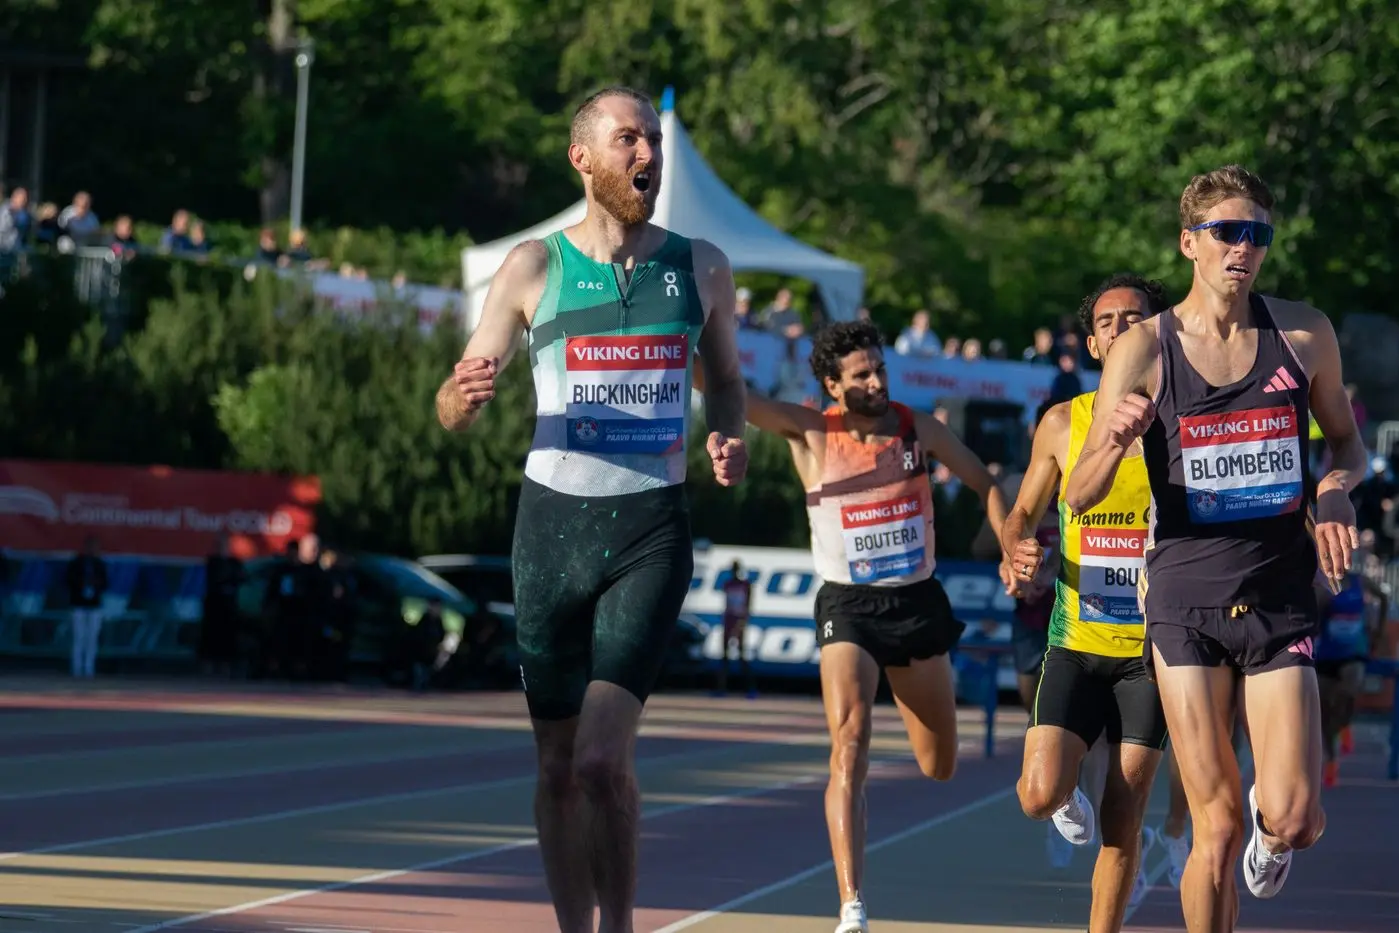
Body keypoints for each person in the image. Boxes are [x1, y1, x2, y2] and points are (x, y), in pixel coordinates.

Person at [435, 85, 749, 933]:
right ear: (582, 158)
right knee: (555, 766)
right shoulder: (532, 268)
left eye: (653, 140)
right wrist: (462, 395)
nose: (648, 153)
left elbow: (725, 382)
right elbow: (453, 401)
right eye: (628, 139)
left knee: (602, 759)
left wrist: (727, 435)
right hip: (549, 531)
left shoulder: (701, 265)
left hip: (651, 528)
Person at [1063, 165, 1367, 931]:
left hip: (1275, 595)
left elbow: (1346, 445)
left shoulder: (1302, 334)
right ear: (1188, 243)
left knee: (1294, 817)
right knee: (1215, 823)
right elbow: (1078, 493)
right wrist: (1115, 441)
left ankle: (1276, 825)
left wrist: (1334, 491)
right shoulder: (1143, 348)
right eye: (1227, 232)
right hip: (1183, 603)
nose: (1243, 247)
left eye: (1257, 234)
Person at [698, 319, 1007, 933]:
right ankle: (852, 906)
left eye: (880, 368)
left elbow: (983, 482)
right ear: (832, 386)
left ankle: (856, 896)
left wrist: (1011, 541)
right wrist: (674, 341)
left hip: (916, 604)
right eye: (862, 374)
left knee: (940, 764)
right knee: (850, 742)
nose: (877, 381)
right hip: (848, 607)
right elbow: (734, 391)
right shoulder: (811, 432)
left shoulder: (919, 429)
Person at [1001, 273, 1170, 931]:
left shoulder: (1183, 422)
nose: (1120, 328)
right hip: (1075, 641)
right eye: (1106, 322)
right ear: (1093, 345)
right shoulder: (1061, 422)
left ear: (1158, 332)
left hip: (1151, 654)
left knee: (1124, 817)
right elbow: (1020, 512)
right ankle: (1064, 793)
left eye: (1134, 318)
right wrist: (1015, 546)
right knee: (1037, 795)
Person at [1314, 559, 1388, 787]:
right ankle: (1331, 759)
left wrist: (1377, 631)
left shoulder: (1360, 581)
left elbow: (1383, 598)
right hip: (1326, 655)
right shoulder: (1321, 584)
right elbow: (1312, 615)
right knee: (1324, 713)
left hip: (1354, 653)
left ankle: (1345, 723)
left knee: (1349, 691)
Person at [715, 558, 756, 697]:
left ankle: (749, 689)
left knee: (742, 654)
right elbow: (726, 603)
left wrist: (743, 621)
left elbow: (748, 605)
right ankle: (721, 688)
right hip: (729, 619)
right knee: (724, 655)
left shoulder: (746, 585)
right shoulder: (727, 584)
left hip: (739, 619)